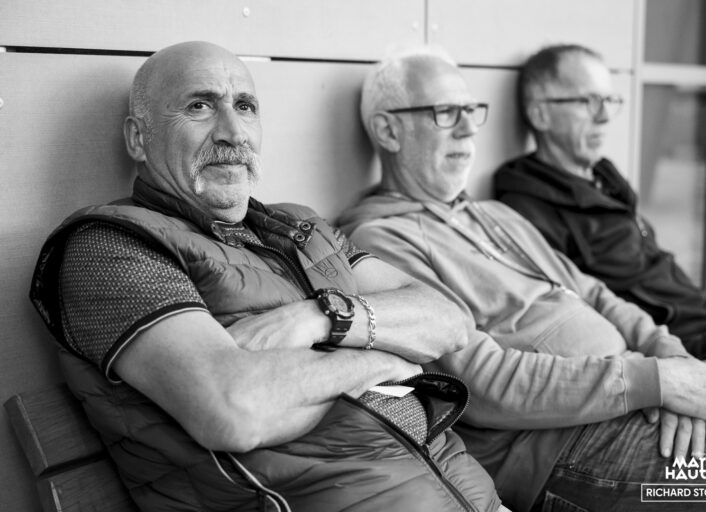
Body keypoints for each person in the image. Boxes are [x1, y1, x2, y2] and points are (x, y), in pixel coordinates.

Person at [28, 41, 504, 512]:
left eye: (245, 106)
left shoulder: (299, 226)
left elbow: (447, 320)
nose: (233, 132)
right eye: (199, 107)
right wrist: (381, 360)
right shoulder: (110, 246)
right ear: (138, 138)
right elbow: (235, 408)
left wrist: (322, 320)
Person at [339, 47, 706, 512]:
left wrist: (672, 360)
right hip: (574, 449)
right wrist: (652, 382)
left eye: (471, 110)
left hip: (640, 384)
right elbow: (479, 384)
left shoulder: (494, 214)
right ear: (388, 131)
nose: (467, 128)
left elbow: (594, 292)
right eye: (445, 112)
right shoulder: (380, 242)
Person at [493, 43, 706, 360]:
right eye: (587, 101)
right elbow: (566, 314)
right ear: (540, 113)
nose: (604, 117)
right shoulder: (526, 210)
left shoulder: (604, 179)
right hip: (678, 352)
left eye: (608, 100)